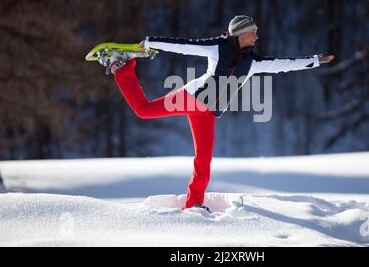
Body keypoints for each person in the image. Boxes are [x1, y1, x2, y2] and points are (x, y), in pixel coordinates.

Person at [97, 15, 334, 212]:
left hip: (207, 113)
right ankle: (122, 66)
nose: (257, 36)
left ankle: (193, 204)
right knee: (144, 111)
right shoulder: (217, 47)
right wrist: (149, 43)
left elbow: (284, 64)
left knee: (204, 160)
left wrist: (314, 61)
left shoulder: (252, 62)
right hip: (190, 99)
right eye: (254, 32)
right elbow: (183, 45)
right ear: (241, 33)